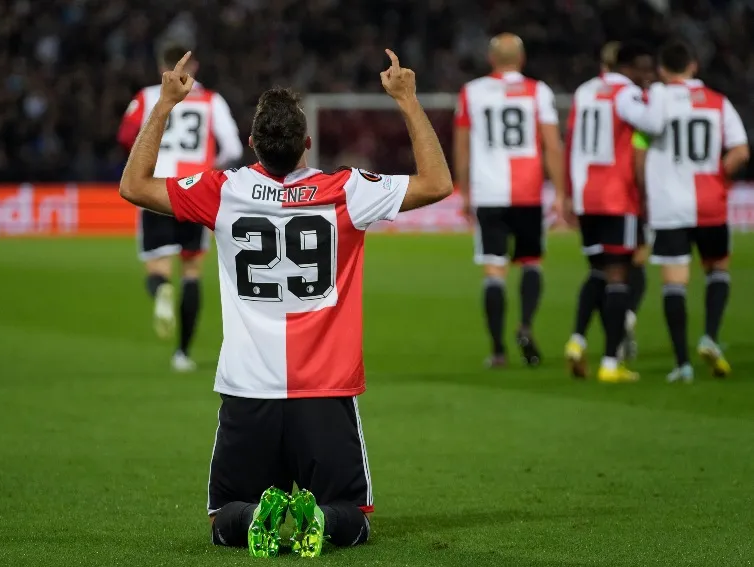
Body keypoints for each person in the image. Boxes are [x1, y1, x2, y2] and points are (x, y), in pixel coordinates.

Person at [118, 50, 453, 557]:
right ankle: (320, 517)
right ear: (307, 143)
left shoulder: (224, 190)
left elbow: (133, 185)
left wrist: (164, 103)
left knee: (224, 519)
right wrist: (406, 99)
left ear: (252, 143)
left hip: (249, 389)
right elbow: (438, 183)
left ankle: (257, 517)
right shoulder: (347, 191)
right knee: (352, 519)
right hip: (325, 391)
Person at [117, 42, 243, 372]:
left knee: (157, 267)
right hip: (194, 190)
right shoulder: (213, 100)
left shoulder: (147, 96)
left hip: (155, 186)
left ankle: (161, 289)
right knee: (191, 272)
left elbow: (126, 135)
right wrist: (208, 168)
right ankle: (182, 354)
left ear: (161, 65)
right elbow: (232, 147)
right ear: (194, 67)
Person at [632, 40, 749, 382]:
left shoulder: (655, 101)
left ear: (661, 70)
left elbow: (639, 147)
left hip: (669, 203)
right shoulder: (718, 101)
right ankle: (710, 336)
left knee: (675, 283)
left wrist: (643, 189)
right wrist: (719, 175)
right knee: (718, 269)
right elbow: (740, 152)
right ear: (693, 65)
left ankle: (682, 364)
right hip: (709, 201)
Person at [454, 33, 566, 368]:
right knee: (531, 262)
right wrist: (561, 192)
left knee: (494, 270)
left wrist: (464, 191)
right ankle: (526, 325)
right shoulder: (538, 91)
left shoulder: (471, 91)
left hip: (488, 191)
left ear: (491, 59)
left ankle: (498, 350)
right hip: (527, 191)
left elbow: (462, 146)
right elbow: (552, 145)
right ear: (522, 58)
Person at [562, 41, 666, 383]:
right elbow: (654, 124)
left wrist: (568, 193)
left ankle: (577, 340)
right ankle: (610, 363)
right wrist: (656, 90)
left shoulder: (585, 92)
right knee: (620, 276)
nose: (646, 75)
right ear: (628, 68)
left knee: (597, 271)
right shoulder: (626, 93)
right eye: (643, 69)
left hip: (586, 195)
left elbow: (570, 143)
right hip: (616, 196)